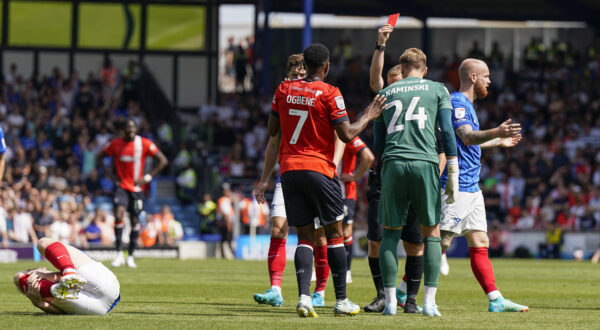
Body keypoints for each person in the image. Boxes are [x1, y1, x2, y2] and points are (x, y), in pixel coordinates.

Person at [268, 43, 385, 317]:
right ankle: (341, 300)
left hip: (289, 171)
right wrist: (368, 114)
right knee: (334, 235)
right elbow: (346, 134)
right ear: (327, 67)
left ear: (305, 65)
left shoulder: (283, 90)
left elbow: (273, 130)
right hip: (319, 169)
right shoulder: (330, 93)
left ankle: (304, 299)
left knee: (304, 237)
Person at [365, 23, 447, 314]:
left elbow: (379, 142)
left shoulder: (390, 96)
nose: (390, 81)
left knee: (398, 238)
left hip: (393, 168)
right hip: (416, 168)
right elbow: (443, 141)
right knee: (423, 235)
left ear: (402, 72)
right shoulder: (432, 93)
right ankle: (416, 301)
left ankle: (399, 300)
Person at [439, 58, 528, 312]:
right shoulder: (457, 103)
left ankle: (495, 300)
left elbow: (468, 142)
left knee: (480, 241)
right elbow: (466, 136)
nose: (490, 81)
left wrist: (497, 143)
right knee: (441, 243)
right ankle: (403, 291)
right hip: (457, 186)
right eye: (486, 76)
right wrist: (497, 133)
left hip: (472, 185)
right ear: (473, 77)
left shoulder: (468, 105)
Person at [253, 53, 342, 308]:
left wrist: (332, 165)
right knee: (278, 227)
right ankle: (275, 289)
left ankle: (320, 291)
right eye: (291, 66)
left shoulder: (323, 93)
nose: (296, 70)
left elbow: (340, 135)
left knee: (319, 235)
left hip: (318, 172)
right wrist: (264, 180)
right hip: (290, 172)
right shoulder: (284, 94)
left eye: (301, 66)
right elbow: (273, 141)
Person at [97, 119, 168, 268]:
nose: (130, 131)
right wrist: (110, 174)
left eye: (133, 128)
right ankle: (118, 254)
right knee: (118, 214)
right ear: (123, 130)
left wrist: (147, 177)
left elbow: (163, 160)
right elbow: (99, 157)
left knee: (135, 220)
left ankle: (131, 255)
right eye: (128, 129)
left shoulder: (144, 143)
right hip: (121, 186)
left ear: (136, 130)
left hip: (136, 189)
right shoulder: (115, 144)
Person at [14, 238, 120, 315]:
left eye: (32, 272)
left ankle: (65, 276)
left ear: (42, 268)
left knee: (18, 277)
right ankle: (68, 271)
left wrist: (40, 304)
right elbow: (60, 312)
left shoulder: (50, 271)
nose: (32, 276)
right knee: (43, 243)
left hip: (95, 310)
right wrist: (39, 303)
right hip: (106, 291)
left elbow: (58, 312)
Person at [339, 136, 374, 284]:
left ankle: (346, 271)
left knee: (346, 231)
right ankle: (319, 270)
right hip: (325, 189)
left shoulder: (348, 135)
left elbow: (368, 157)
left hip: (344, 191)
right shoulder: (322, 130)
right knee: (321, 230)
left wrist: (354, 177)